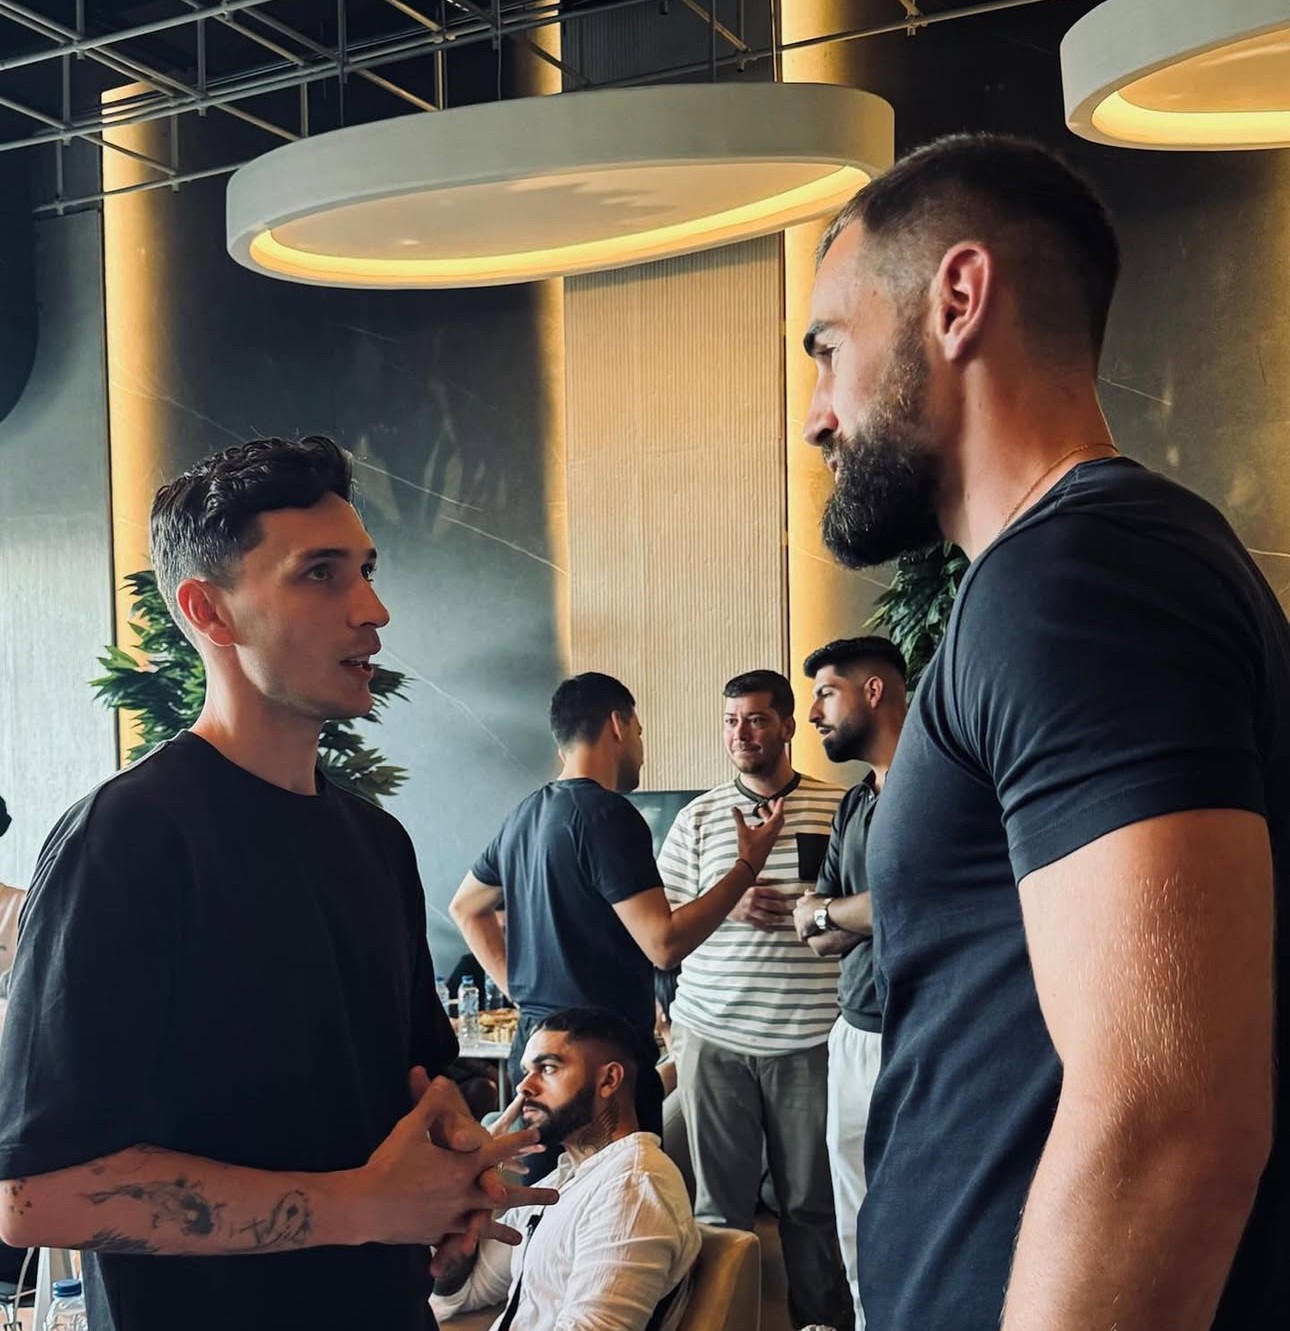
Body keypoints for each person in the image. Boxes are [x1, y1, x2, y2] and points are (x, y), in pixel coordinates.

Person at [803, 133, 1289, 1331]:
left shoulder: (1078, 575)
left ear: (957, 301)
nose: (817, 414)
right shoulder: (1076, 573)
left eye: (828, 350)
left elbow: (1168, 1119)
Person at [0, 437, 554, 1331]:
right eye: (321, 575)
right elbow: (39, 1195)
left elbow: (413, 1079)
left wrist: (455, 1174)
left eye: (367, 570)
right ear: (209, 612)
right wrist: (361, 1206)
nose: (372, 609)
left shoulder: (375, 840)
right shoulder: (127, 839)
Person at [451, 672, 785, 1139]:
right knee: (621, 1199)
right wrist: (746, 865)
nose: (641, 749)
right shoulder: (607, 814)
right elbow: (664, 945)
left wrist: (523, 994)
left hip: (534, 1044)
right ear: (618, 725)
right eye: (641, 733)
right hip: (596, 1061)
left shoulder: (525, 813)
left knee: (549, 1202)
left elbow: (467, 907)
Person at [659, 670, 851, 1331]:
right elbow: (666, 925)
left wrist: (815, 910)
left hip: (811, 1040)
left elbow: (868, 911)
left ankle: (821, 1324)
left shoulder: (840, 807)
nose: (742, 733)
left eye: (757, 719)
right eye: (731, 720)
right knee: (719, 1210)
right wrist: (728, 900)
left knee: (812, 1208)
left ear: (789, 726)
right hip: (714, 1038)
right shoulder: (700, 817)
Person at [431, 1007, 700, 1331]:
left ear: (609, 1080)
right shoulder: (565, 1179)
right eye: (526, 1071)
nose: (523, 1087)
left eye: (547, 1068)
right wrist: (465, 1201)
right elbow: (463, 1295)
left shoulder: (632, 1188)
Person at [791, 636, 907, 1330]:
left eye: (825, 693)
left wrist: (839, 911)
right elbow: (819, 927)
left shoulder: (938, 782)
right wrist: (851, 911)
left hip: (923, 1030)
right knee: (853, 1210)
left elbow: (920, 895)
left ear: (872, 690)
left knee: (924, 1201)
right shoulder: (854, 803)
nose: (813, 714)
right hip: (851, 1030)